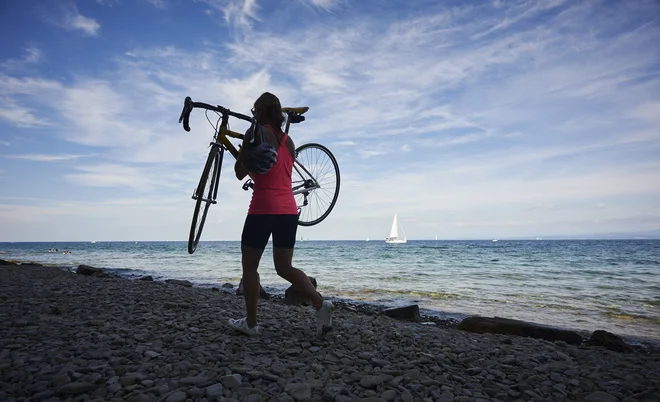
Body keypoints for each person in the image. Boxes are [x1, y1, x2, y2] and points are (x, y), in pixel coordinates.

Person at [229, 92, 334, 337]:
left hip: (263, 208)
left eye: (255, 109)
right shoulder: (289, 141)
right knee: (285, 267)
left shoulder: (254, 133)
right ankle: (321, 305)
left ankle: (252, 324)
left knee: (250, 268)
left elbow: (238, 172)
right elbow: (273, 170)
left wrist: (243, 150)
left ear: (261, 110)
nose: (253, 113)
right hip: (288, 210)